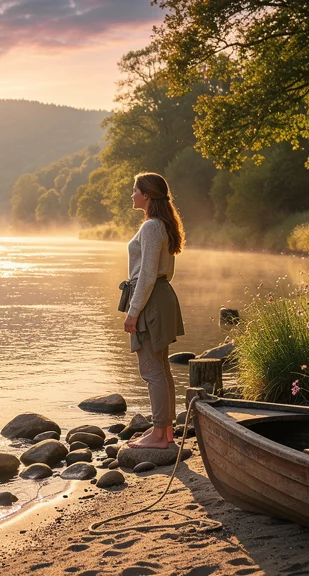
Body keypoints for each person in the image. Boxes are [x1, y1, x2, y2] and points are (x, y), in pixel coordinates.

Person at [122, 172, 185, 449]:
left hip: (151, 301)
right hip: (161, 297)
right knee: (161, 367)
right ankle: (166, 432)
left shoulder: (151, 227)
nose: (132, 195)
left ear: (146, 195)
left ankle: (159, 435)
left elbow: (147, 275)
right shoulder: (162, 224)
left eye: (135, 190)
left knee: (151, 369)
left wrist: (133, 312)